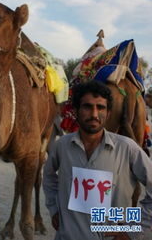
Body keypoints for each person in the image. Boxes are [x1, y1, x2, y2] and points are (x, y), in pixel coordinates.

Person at [43, 80, 152, 240]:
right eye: (87, 107)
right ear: (76, 111)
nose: (94, 114)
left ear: (108, 113)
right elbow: (49, 176)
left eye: (100, 107)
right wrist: (54, 209)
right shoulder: (62, 146)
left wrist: (133, 232)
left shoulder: (127, 149)